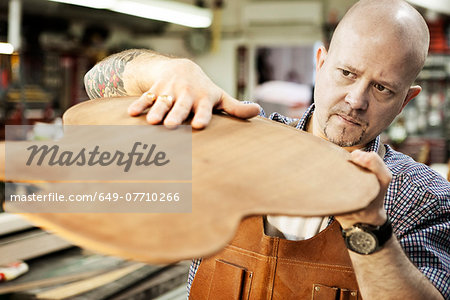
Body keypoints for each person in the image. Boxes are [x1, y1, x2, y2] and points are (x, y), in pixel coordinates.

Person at [84, 0, 449, 298]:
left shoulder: (422, 197)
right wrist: (169, 72)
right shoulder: (238, 141)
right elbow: (98, 84)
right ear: (320, 64)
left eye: (382, 88)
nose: (356, 100)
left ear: (405, 101)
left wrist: (369, 228)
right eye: (347, 73)